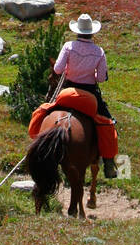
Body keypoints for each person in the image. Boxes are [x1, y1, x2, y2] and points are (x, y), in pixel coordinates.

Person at [50, 13, 117, 177]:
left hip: (67, 90)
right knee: (108, 123)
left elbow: (57, 70)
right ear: (92, 33)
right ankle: (109, 163)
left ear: (77, 31)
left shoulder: (68, 46)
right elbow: (101, 78)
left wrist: (69, 70)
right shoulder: (99, 52)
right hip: (90, 93)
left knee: (46, 110)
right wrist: (91, 75)